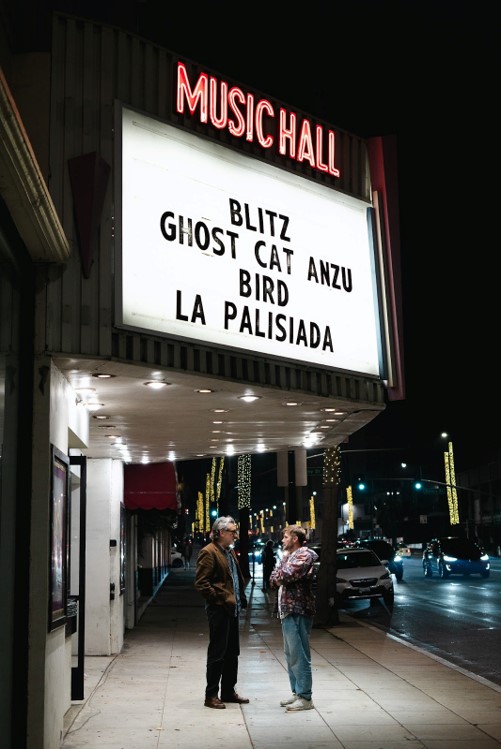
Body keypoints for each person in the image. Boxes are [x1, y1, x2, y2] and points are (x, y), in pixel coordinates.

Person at [194, 516, 249, 709]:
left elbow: (234, 577)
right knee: (218, 652)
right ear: (221, 532)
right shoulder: (209, 552)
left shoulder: (229, 552)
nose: (235, 534)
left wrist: (239, 598)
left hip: (232, 609)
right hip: (220, 610)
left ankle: (228, 691)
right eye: (233, 531)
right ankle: (211, 695)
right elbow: (201, 582)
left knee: (232, 652)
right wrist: (218, 600)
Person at [269, 525, 318, 712]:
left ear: (295, 539)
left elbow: (285, 575)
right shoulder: (288, 556)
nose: (282, 540)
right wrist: (280, 573)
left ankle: (305, 697)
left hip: (298, 609)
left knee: (299, 654)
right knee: (290, 655)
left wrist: (280, 573)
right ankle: (297, 692)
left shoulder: (304, 555)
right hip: (287, 610)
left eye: (286, 537)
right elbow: (274, 578)